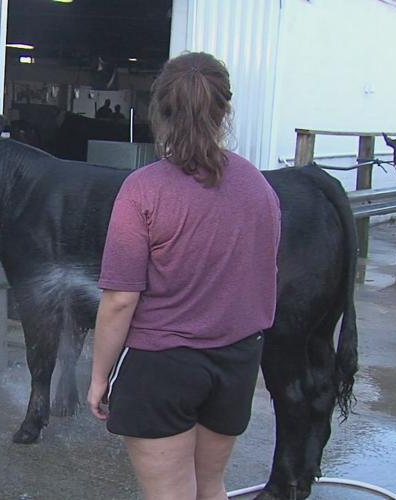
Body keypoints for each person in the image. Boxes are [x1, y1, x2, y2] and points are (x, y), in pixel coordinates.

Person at [86, 52, 281, 500]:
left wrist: (99, 376)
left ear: (160, 111)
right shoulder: (258, 186)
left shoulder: (143, 190)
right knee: (211, 487)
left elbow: (119, 300)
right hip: (235, 363)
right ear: (224, 111)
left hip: (162, 368)